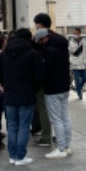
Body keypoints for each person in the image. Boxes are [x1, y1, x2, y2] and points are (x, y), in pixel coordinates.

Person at [0, 28, 43, 166]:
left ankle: (12, 156)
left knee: (11, 126)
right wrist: (34, 88)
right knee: (24, 126)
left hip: (9, 95)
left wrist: (5, 84)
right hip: (27, 95)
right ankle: (20, 156)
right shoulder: (32, 54)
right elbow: (39, 75)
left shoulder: (4, 54)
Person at [34, 15, 73, 160]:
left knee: (56, 119)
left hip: (53, 88)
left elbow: (45, 70)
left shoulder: (49, 51)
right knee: (65, 117)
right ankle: (67, 146)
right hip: (64, 86)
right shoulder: (62, 43)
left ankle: (61, 148)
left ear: (43, 39)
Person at [32, 13, 54, 148]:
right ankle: (58, 135)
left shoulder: (41, 42)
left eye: (36, 24)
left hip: (44, 81)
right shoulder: (58, 39)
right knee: (57, 110)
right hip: (55, 82)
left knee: (44, 108)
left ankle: (46, 136)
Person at [69, 28, 86, 100]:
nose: (75, 35)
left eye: (76, 33)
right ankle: (79, 93)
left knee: (85, 78)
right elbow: (70, 53)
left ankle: (79, 88)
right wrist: (71, 61)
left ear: (79, 33)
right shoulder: (71, 42)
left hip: (83, 64)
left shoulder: (84, 41)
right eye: (74, 33)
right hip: (75, 64)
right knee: (77, 79)